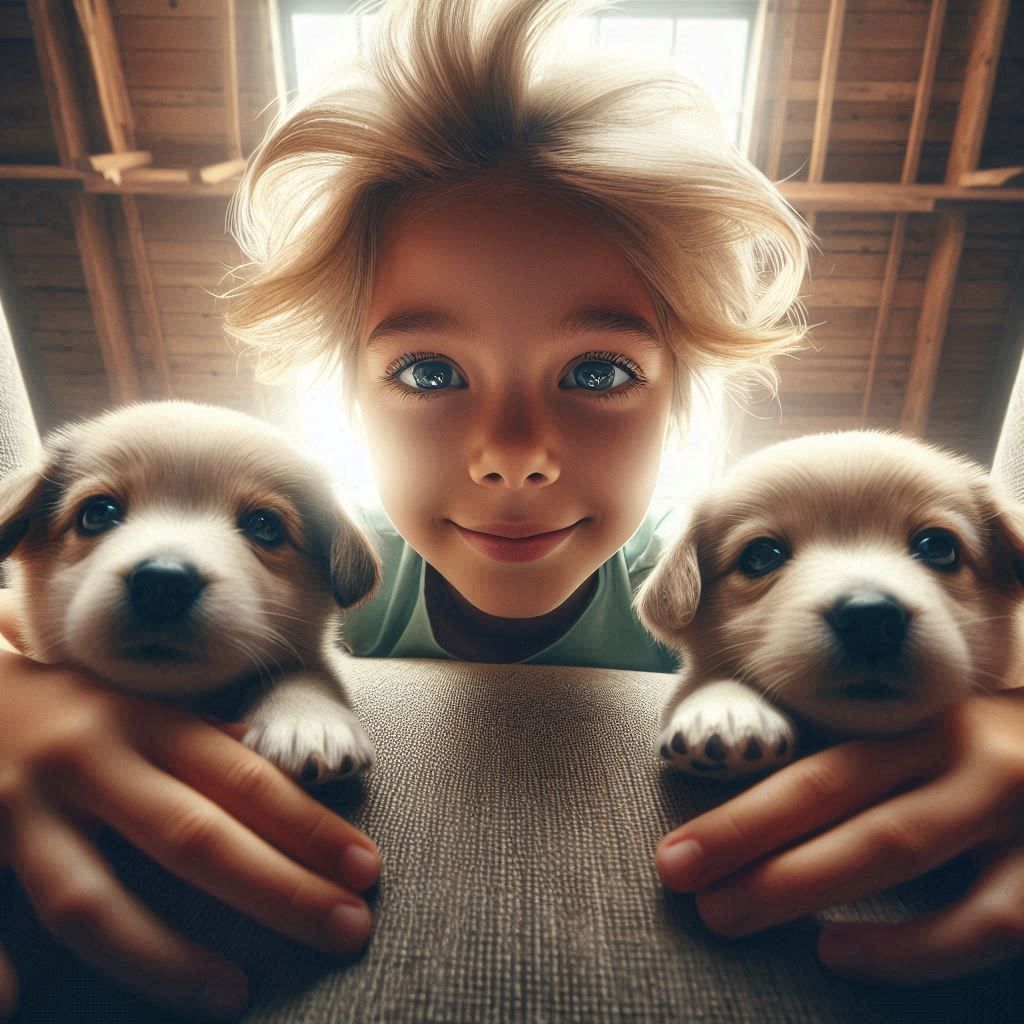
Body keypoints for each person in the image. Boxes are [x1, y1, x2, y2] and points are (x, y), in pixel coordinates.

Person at [0, 2, 1019, 1022]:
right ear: (346, 397)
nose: (514, 453)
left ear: (684, 398)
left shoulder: (727, 594)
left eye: (600, 369)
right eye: (431, 369)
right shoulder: (299, 574)